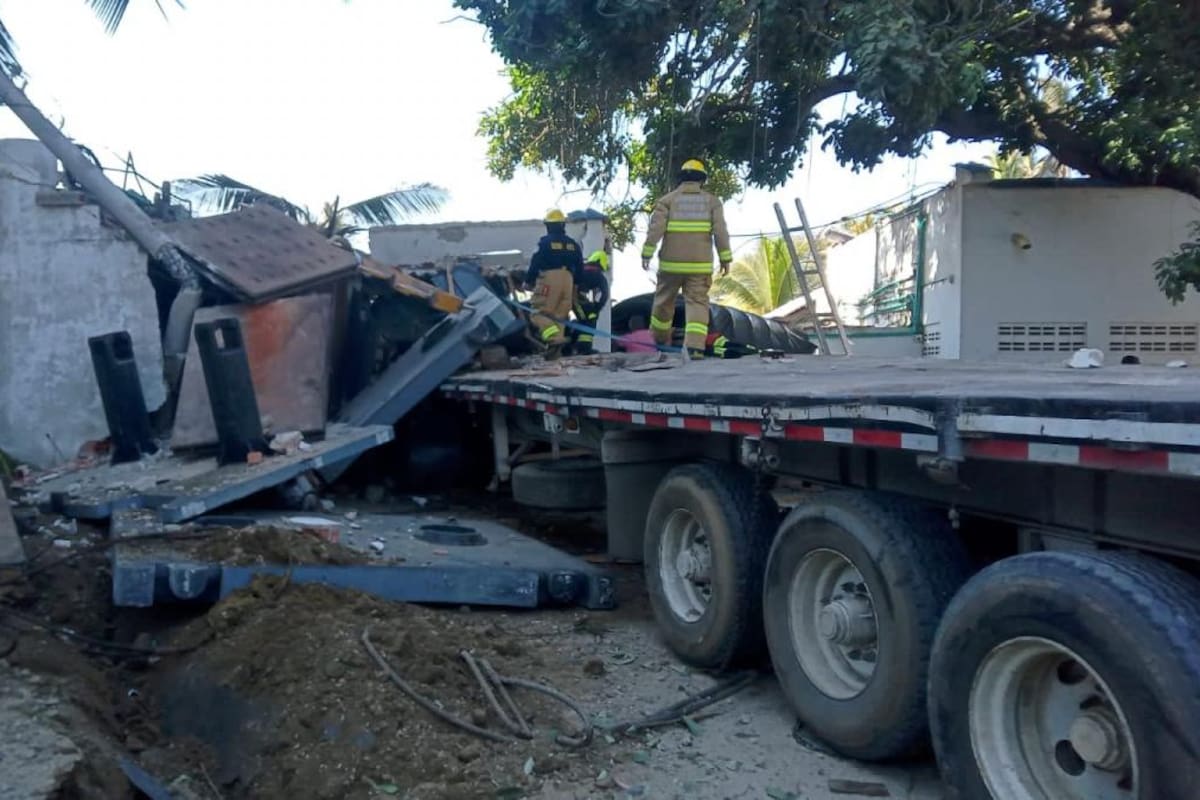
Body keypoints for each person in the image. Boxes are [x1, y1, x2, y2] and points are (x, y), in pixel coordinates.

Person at [640, 159, 732, 356]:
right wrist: (725, 258)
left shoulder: (667, 201)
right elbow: (720, 231)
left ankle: (660, 340)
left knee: (664, 301)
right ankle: (694, 347)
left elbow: (655, 230)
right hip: (699, 266)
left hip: (670, 265)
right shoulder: (712, 202)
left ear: (681, 178)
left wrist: (646, 253)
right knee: (697, 303)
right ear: (702, 180)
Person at [525, 208, 583, 357]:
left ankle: (554, 338)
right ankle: (554, 354)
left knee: (538, 313)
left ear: (548, 226)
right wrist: (576, 286)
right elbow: (580, 266)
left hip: (551, 278)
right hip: (569, 280)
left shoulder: (545, 243)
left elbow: (536, 262)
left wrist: (528, 281)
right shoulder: (573, 244)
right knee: (559, 315)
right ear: (563, 225)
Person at [569, 250, 611, 355]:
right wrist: (596, 308)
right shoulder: (599, 276)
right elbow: (604, 294)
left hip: (569, 297)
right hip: (576, 298)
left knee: (582, 321)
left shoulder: (580, 270)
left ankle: (571, 345)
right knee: (588, 320)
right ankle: (584, 348)